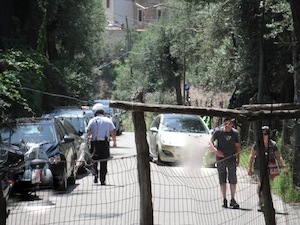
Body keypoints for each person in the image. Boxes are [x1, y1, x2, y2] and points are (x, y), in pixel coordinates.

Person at [248, 125, 288, 211]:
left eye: (265, 133)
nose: (264, 135)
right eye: (262, 134)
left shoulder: (273, 144)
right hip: (258, 167)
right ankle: (261, 201)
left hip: (270, 167)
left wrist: (284, 166)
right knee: (260, 184)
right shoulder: (257, 144)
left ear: (269, 134)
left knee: (268, 185)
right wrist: (249, 168)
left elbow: (278, 156)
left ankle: (267, 203)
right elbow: (251, 156)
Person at [209, 117, 241, 209]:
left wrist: (238, 158)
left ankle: (233, 199)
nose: (228, 125)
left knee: (233, 179)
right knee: (222, 179)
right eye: (226, 123)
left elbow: (237, 146)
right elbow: (211, 141)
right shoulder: (218, 132)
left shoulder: (235, 133)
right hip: (220, 158)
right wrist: (216, 150)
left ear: (232, 125)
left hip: (231, 158)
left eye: (230, 124)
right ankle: (224, 199)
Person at [86, 103, 117, 185]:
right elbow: (113, 131)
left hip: (94, 142)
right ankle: (102, 179)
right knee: (104, 161)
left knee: (94, 160)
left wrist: (86, 140)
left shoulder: (92, 120)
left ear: (95, 112)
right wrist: (114, 142)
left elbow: (88, 132)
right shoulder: (108, 120)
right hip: (104, 143)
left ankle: (95, 175)